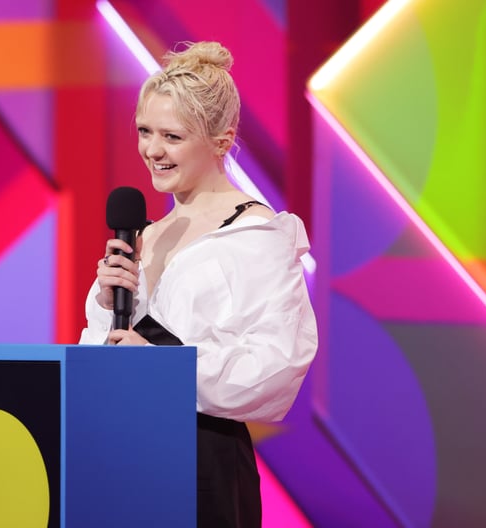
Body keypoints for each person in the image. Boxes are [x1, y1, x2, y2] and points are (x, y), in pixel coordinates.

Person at [78, 40, 318, 528]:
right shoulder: (141, 234)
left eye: (172, 136)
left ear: (222, 141)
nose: (152, 150)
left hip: (200, 460)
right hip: (121, 449)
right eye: (145, 131)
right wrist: (107, 308)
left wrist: (165, 368)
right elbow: (103, 357)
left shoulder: (257, 235)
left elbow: (276, 369)